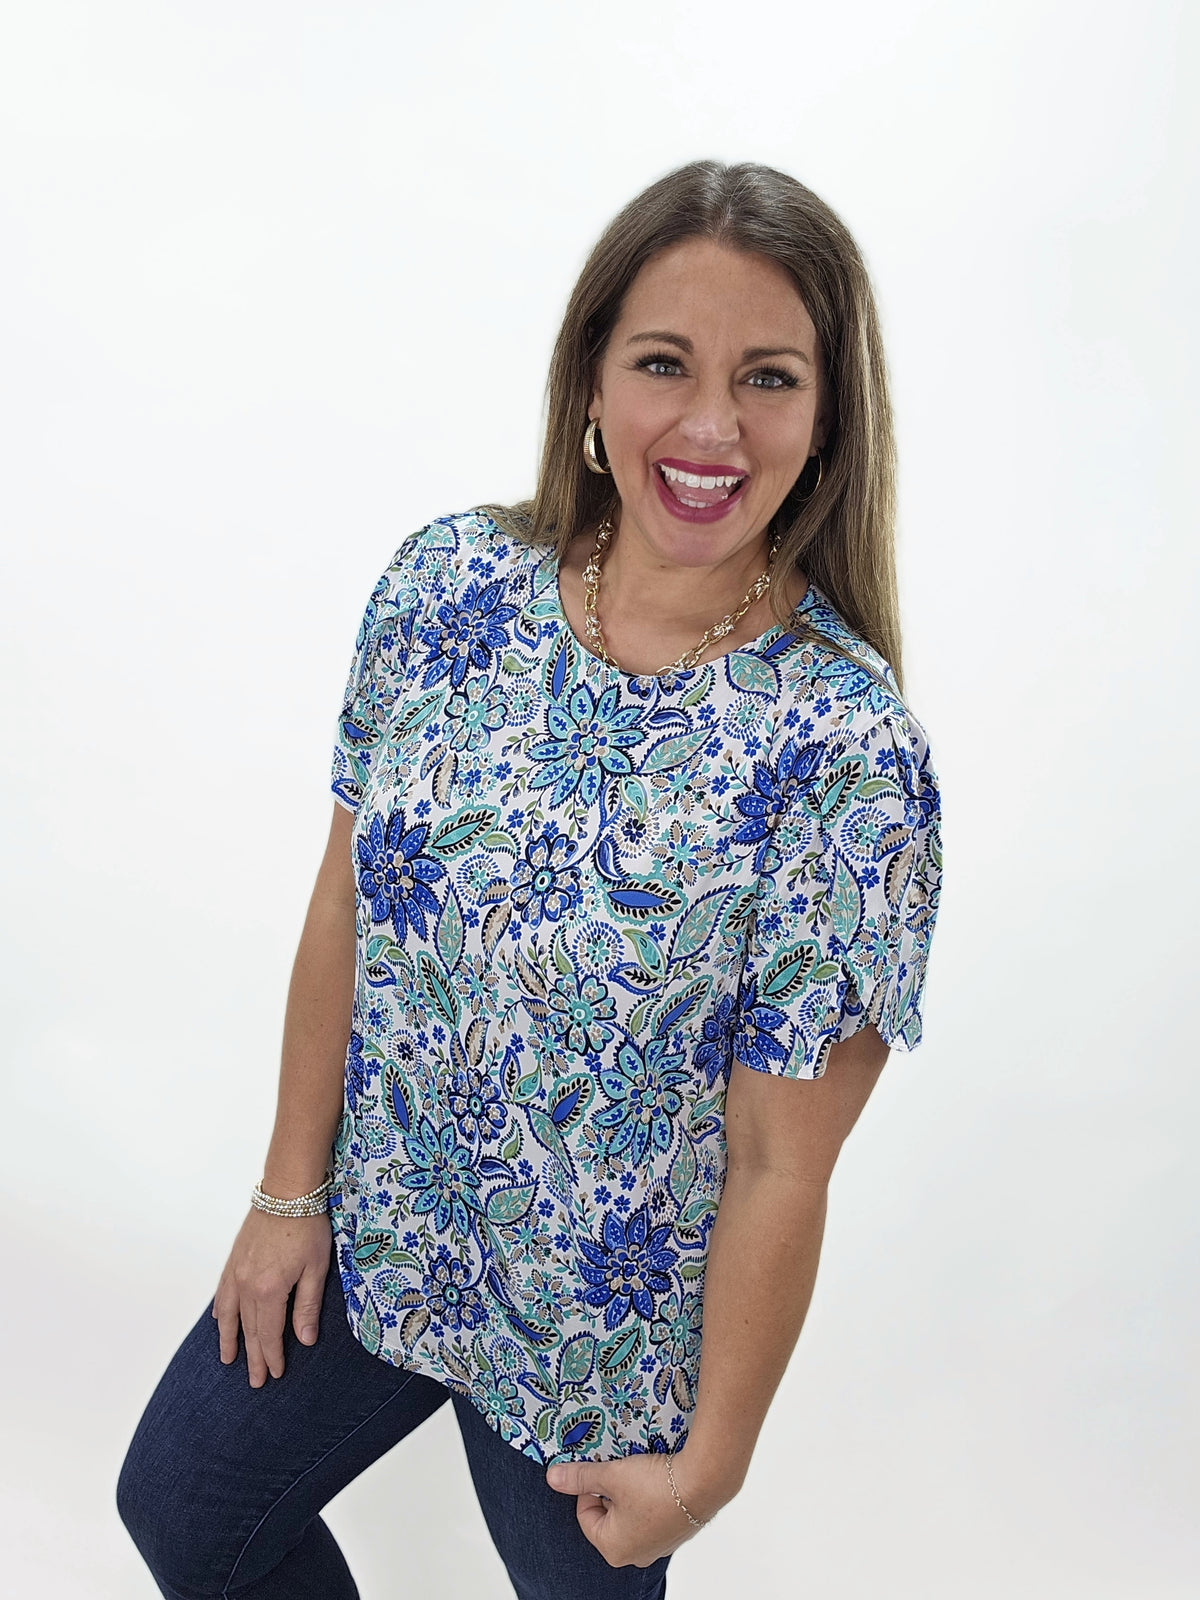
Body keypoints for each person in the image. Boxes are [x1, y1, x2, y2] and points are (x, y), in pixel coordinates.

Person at [117, 158, 942, 1599]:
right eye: (664, 363)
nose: (710, 426)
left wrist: (710, 1464)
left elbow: (780, 1162)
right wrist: (288, 1196)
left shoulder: (847, 754)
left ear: (826, 420)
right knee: (186, 1504)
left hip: (597, 1353)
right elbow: (348, 903)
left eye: (767, 378)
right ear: (590, 382)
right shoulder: (448, 588)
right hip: (380, 1239)